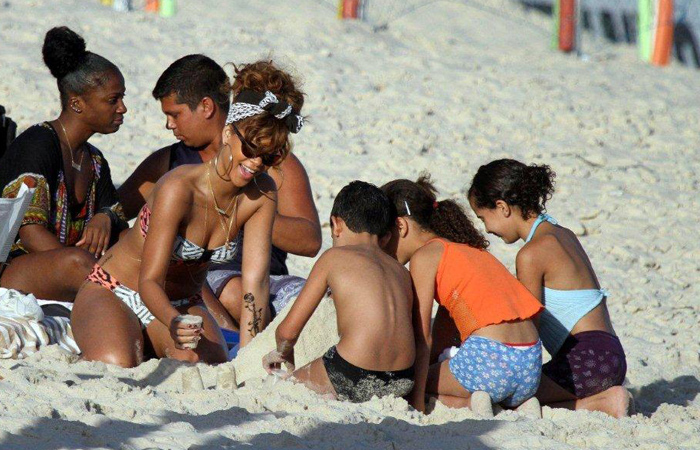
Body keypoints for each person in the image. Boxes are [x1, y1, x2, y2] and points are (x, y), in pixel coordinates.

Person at [71, 60, 306, 367]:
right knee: (119, 362)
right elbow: (150, 281)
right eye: (249, 148)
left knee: (209, 365)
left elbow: (256, 284)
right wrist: (172, 321)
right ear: (227, 135)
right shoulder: (179, 187)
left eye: (270, 155)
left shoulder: (262, 194)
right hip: (119, 289)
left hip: (185, 303)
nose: (257, 162)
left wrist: (248, 358)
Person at [117, 55, 321, 330]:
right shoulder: (170, 164)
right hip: (209, 280)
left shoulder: (271, 163)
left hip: (267, 277)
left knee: (321, 302)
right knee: (233, 291)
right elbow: (120, 210)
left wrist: (248, 212)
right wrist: (105, 216)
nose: (169, 125)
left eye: (174, 114)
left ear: (206, 107)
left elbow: (309, 242)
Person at [468, 159, 632, 418]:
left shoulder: (531, 254)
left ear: (502, 207)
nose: (486, 229)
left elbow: (527, 325)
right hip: (611, 356)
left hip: (585, 360)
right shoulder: (564, 234)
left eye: (483, 218)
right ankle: (604, 396)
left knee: (509, 394)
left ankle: (601, 404)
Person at [381, 174, 543, 415]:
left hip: (488, 363)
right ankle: (518, 404)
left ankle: (470, 403)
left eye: (384, 236)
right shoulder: (469, 249)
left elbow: (422, 336)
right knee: (442, 369)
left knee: (405, 381)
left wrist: (416, 399)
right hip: (531, 366)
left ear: (401, 226)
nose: (383, 245)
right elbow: (444, 332)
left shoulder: (424, 256)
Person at [0, 27, 127, 304]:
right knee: (75, 260)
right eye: (113, 100)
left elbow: (117, 215)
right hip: (14, 270)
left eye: (122, 98)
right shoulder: (38, 143)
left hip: (74, 268)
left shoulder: (93, 159)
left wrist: (104, 217)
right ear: (77, 103)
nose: (123, 108)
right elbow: (29, 232)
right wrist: (83, 267)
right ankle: (134, 305)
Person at [263, 181, 415, 403]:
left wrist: (283, 353)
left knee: (288, 387)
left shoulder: (333, 258)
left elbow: (288, 332)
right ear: (386, 235)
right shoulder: (401, 271)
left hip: (352, 372)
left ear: (336, 225)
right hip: (403, 379)